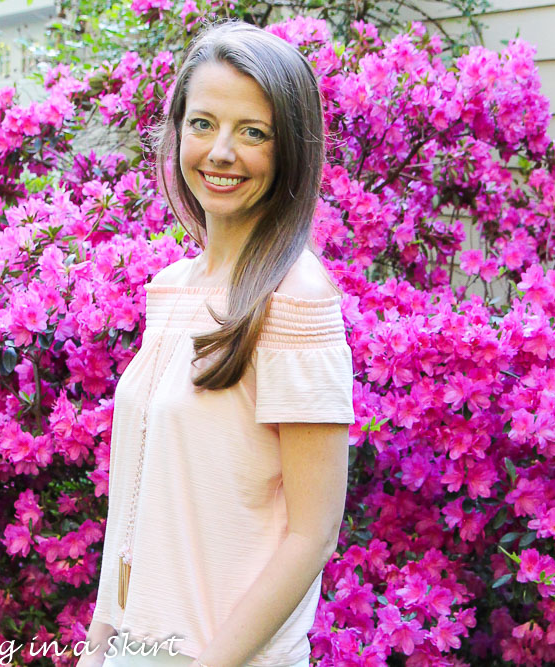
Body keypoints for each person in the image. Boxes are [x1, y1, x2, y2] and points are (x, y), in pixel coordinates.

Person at [76, 19, 356, 667]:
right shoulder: (174, 287)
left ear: (290, 149)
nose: (220, 152)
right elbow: (141, 494)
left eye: (253, 132)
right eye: (203, 124)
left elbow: (312, 534)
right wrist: (101, 636)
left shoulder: (296, 298)